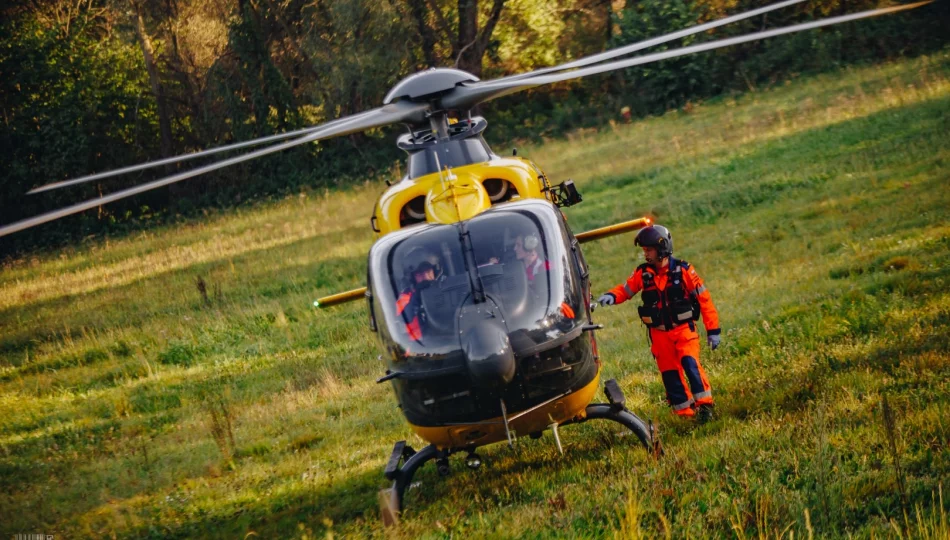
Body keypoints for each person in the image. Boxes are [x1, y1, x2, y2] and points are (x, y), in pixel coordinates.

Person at [597, 225, 721, 422]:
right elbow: (626, 290)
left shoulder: (684, 270)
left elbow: (705, 300)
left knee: (690, 364)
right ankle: (684, 414)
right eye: (644, 250)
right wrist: (612, 296)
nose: (645, 254)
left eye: (648, 250)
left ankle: (705, 407)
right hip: (659, 335)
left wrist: (713, 330)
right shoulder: (643, 274)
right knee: (670, 375)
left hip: (683, 331)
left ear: (661, 248)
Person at [395, 249, 439, 341]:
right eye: (419, 274)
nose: (426, 278)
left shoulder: (446, 289)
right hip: (419, 346)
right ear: (412, 278)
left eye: (428, 271)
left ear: (435, 270)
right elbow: (403, 317)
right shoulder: (405, 298)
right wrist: (416, 298)